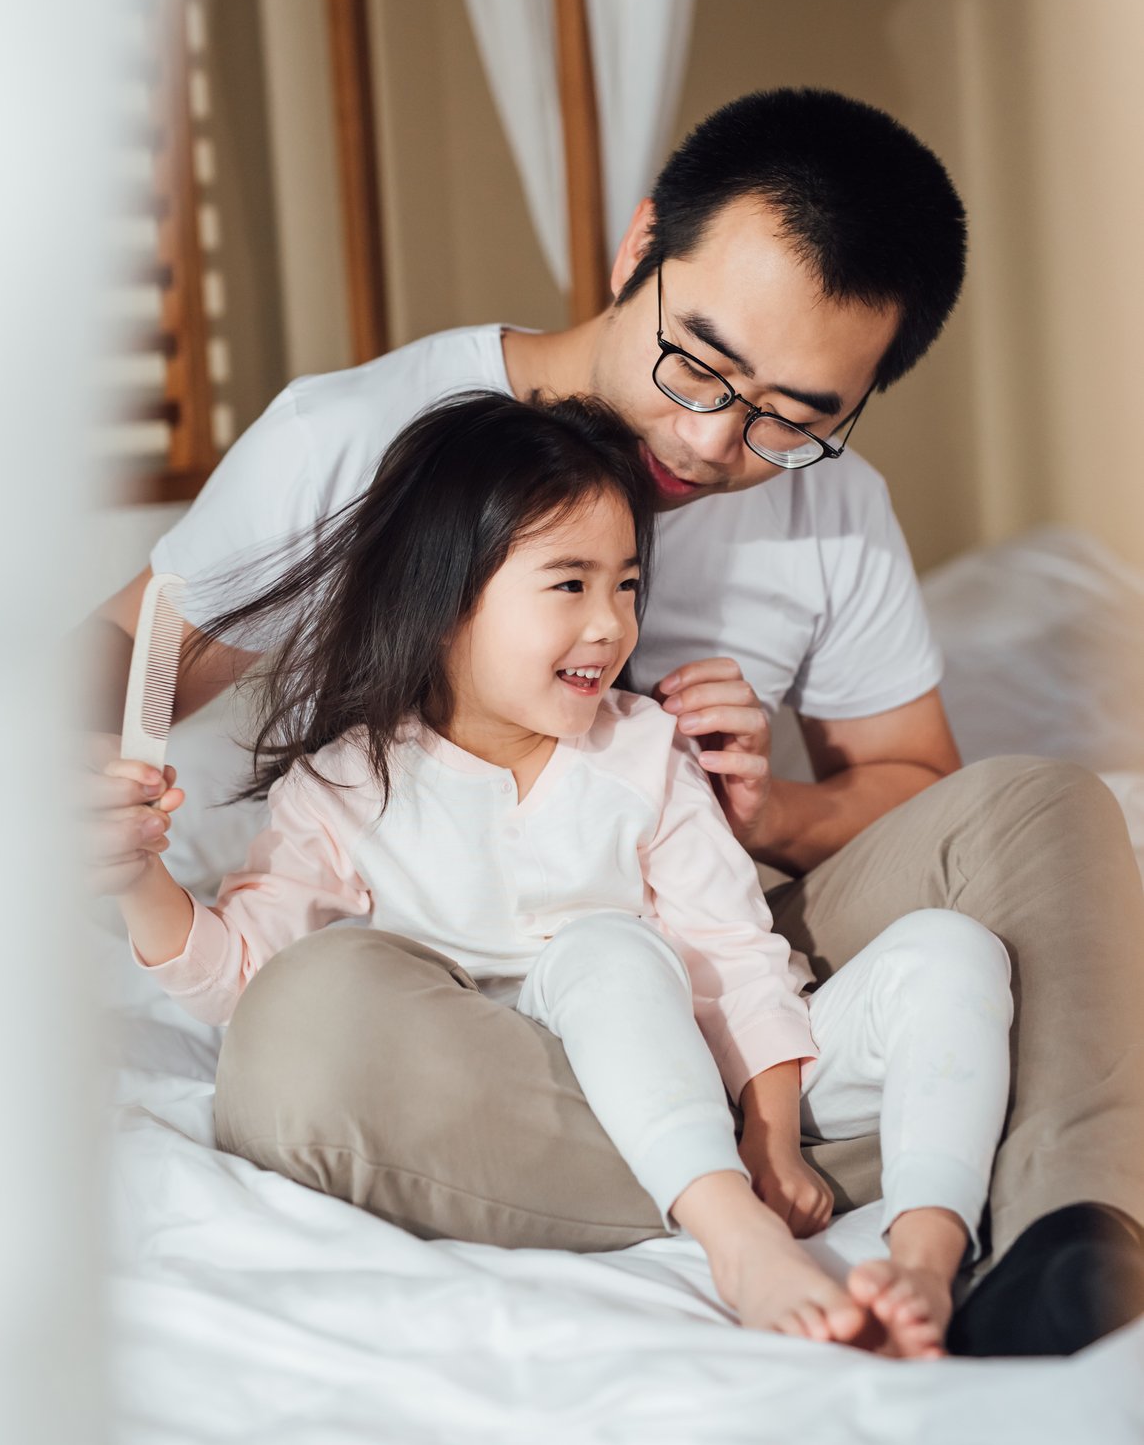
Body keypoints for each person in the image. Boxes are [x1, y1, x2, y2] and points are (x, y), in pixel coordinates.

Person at [85, 87, 1144, 1356]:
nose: (707, 439)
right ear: (641, 245)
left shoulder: (832, 507)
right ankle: (855, 1153)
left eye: (790, 418)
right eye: (698, 360)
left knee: (1046, 809)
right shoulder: (356, 441)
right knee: (302, 1031)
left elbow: (919, 787)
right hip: (460, 1008)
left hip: (723, 956)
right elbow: (120, 661)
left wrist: (770, 807)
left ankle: (1069, 1231)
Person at [100, 392, 1014, 1357]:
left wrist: (774, 1138)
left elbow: (737, 952)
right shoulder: (347, 784)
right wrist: (136, 875)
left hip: (700, 1076)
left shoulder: (646, 751)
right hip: (524, 1106)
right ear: (443, 599)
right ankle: (735, 1239)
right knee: (605, 947)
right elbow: (239, 978)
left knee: (954, 950)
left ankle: (926, 1254)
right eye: (570, 584)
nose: (612, 624)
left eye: (626, 584)